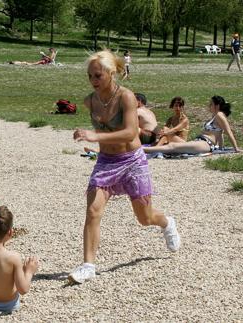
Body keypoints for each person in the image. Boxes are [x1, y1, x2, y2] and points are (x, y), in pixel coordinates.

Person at [70, 50, 181, 284]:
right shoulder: (90, 101)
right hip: (106, 162)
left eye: (98, 75)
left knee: (145, 217)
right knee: (92, 211)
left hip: (132, 161)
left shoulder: (126, 97)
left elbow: (131, 132)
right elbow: (105, 133)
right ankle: (88, 265)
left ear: (111, 73)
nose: (93, 81)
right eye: (90, 76)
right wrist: (87, 136)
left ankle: (167, 223)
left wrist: (93, 135)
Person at [144, 95, 240, 154]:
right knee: (172, 145)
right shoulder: (215, 116)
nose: (208, 105)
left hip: (206, 143)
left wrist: (236, 149)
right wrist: (221, 147)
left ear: (217, 106)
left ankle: (144, 150)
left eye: (211, 104)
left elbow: (228, 132)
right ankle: (150, 149)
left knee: (173, 147)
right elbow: (220, 133)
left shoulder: (219, 115)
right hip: (200, 141)